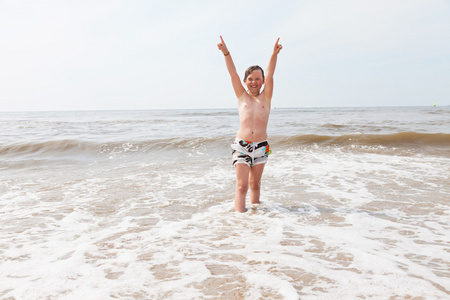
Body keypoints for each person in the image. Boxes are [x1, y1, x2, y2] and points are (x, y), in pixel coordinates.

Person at [217, 36, 282, 212]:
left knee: (255, 184)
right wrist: (226, 53)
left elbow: (270, 74)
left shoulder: (266, 98)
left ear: (262, 82)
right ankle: (241, 220)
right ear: (245, 82)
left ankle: (255, 219)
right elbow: (233, 74)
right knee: (242, 186)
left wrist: (274, 54)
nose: (254, 82)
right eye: (250, 79)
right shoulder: (241, 97)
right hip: (242, 146)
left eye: (257, 79)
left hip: (262, 146)